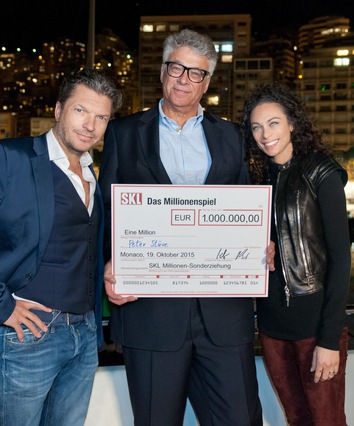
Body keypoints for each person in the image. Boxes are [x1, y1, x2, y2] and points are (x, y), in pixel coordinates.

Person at [0, 69, 122, 426]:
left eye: (101, 117)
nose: (90, 125)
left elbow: (83, 246)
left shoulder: (92, 173)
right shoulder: (8, 158)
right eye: (81, 110)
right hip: (28, 336)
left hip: (84, 335)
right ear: (58, 109)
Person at [99, 28, 268, 426]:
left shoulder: (233, 137)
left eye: (196, 73)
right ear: (163, 71)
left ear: (207, 82)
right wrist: (109, 263)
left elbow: (247, 208)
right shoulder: (123, 133)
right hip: (150, 315)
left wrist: (263, 243)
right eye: (176, 68)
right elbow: (106, 210)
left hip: (223, 316)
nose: (184, 80)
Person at [240, 82, 351, 426]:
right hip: (272, 327)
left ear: (292, 123)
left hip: (314, 326)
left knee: (327, 421)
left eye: (273, 123)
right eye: (256, 127)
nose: (265, 134)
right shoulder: (257, 180)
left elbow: (341, 258)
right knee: (297, 419)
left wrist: (329, 339)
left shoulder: (321, 171)